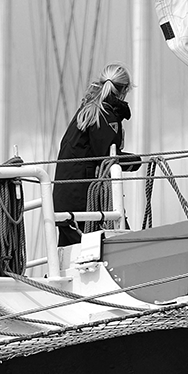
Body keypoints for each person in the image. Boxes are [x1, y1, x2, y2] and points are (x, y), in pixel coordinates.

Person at [52, 65, 139, 245]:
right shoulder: (106, 115)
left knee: (71, 251)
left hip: (65, 199)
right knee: (123, 244)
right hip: (83, 203)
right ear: (124, 90)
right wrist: (136, 161)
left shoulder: (89, 109)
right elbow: (107, 156)